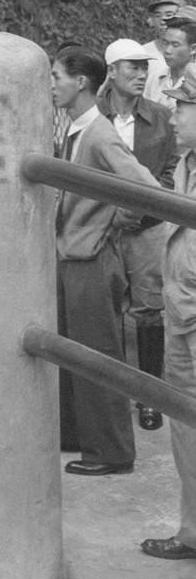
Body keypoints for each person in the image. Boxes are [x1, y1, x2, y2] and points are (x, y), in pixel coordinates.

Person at [52, 47, 162, 475]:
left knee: (98, 354)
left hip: (92, 258)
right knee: (74, 351)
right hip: (73, 256)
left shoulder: (99, 133)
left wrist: (112, 224)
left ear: (81, 82)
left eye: (57, 75)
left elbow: (146, 190)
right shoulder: (75, 129)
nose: (52, 83)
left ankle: (112, 452)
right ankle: (80, 436)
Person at [96, 38, 178, 431]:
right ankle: (110, 397)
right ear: (112, 71)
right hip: (102, 227)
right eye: (132, 67)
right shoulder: (94, 116)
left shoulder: (161, 116)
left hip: (147, 228)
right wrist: (111, 214)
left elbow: (170, 166)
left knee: (148, 310)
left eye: (145, 67)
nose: (141, 74)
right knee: (105, 309)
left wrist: (146, 207)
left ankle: (149, 397)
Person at [141, 69, 196, 560]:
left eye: (183, 107)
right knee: (186, 424)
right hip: (183, 311)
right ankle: (192, 531)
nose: (174, 115)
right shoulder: (186, 163)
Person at [147, 8, 196, 113]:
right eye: (165, 43)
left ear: (193, 49)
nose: (168, 51)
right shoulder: (154, 79)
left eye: (175, 45)